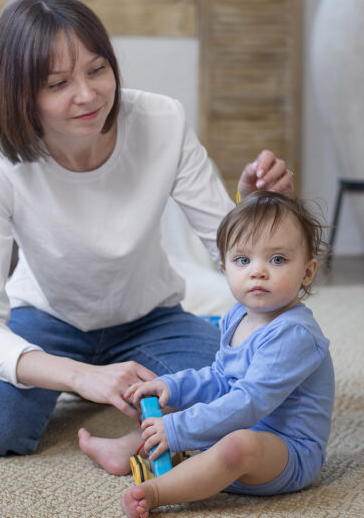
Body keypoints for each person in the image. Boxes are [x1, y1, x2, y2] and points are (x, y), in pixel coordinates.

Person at [0, 0, 295, 457]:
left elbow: (226, 245)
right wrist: (78, 376)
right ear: (21, 93)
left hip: (151, 319)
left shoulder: (161, 121)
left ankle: (79, 370)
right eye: (57, 83)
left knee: (246, 393)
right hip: (45, 319)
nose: (87, 95)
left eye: (97, 69)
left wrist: (254, 210)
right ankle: (14, 371)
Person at [80, 191, 335, 518]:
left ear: (308, 272)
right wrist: (173, 386)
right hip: (234, 429)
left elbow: (247, 402)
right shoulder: (236, 316)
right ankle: (129, 450)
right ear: (224, 267)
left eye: (278, 260)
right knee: (172, 402)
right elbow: (218, 378)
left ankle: (158, 491)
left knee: (237, 445)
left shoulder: (294, 334)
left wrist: (177, 429)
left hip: (285, 453)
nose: (258, 271)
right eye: (243, 260)